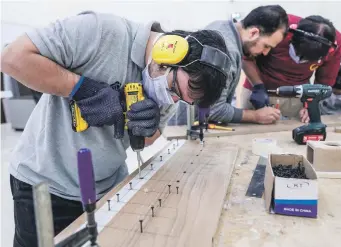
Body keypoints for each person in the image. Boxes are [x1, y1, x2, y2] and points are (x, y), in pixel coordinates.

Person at [1, 11, 231, 247]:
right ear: (167, 53)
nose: (171, 100)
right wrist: (81, 89)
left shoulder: (176, 88)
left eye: (181, 100)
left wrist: (146, 129)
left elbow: (150, 138)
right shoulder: (100, 32)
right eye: (173, 89)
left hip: (108, 187)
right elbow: (12, 58)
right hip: (45, 184)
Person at [168, 5, 288, 126]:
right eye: (266, 46)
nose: (266, 53)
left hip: (181, 119)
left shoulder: (221, 26)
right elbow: (213, 110)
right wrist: (255, 116)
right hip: (187, 128)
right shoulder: (228, 51)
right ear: (253, 33)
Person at [240, 14, 341, 123]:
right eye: (297, 53)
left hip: (297, 99)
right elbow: (246, 57)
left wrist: (312, 103)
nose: (299, 61)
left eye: (307, 60)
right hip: (258, 92)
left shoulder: (337, 45)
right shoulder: (276, 25)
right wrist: (258, 86)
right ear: (291, 33)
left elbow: (324, 81)